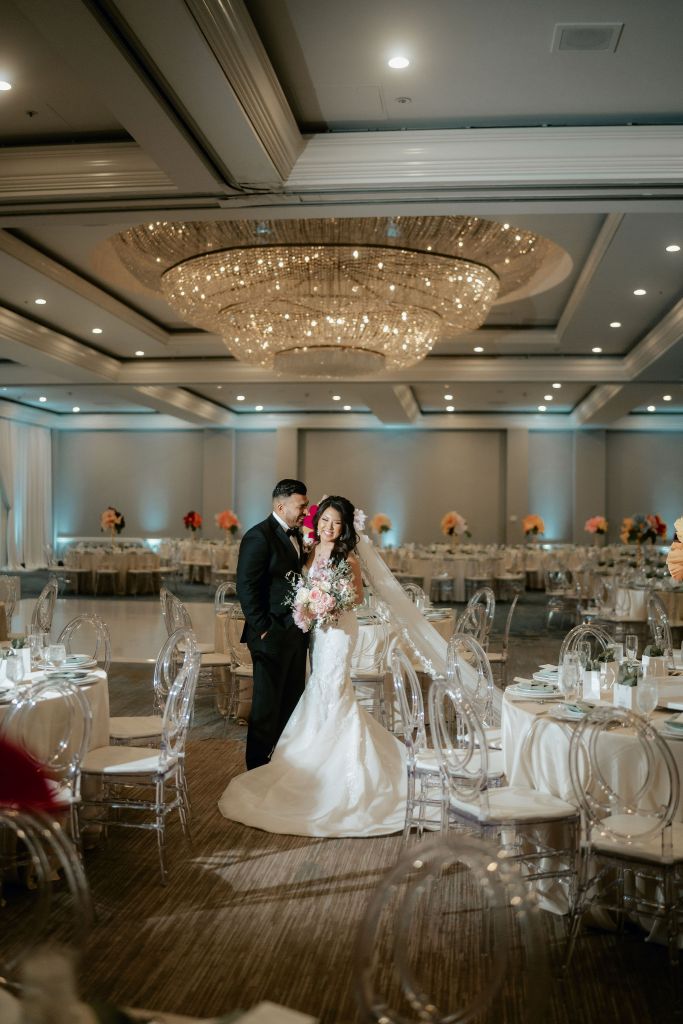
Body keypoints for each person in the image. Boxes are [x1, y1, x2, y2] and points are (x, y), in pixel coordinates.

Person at [219, 495, 406, 837]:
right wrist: (309, 605)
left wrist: (330, 602)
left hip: (338, 630)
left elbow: (357, 597)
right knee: (318, 687)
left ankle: (340, 767)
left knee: (333, 688)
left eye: (336, 522)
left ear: (344, 527)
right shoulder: (309, 550)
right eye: (324, 520)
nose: (329, 527)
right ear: (317, 522)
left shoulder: (348, 556)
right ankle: (311, 758)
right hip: (317, 631)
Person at [236, 479, 309, 771]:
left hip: (296, 634)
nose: (305, 511)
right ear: (281, 506)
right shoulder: (258, 536)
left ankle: (279, 766)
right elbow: (246, 587)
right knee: (266, 708)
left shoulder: (299, 535)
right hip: (270, 636)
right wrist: (264, 627)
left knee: (290, 704)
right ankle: (255, 769)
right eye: (301, 506)